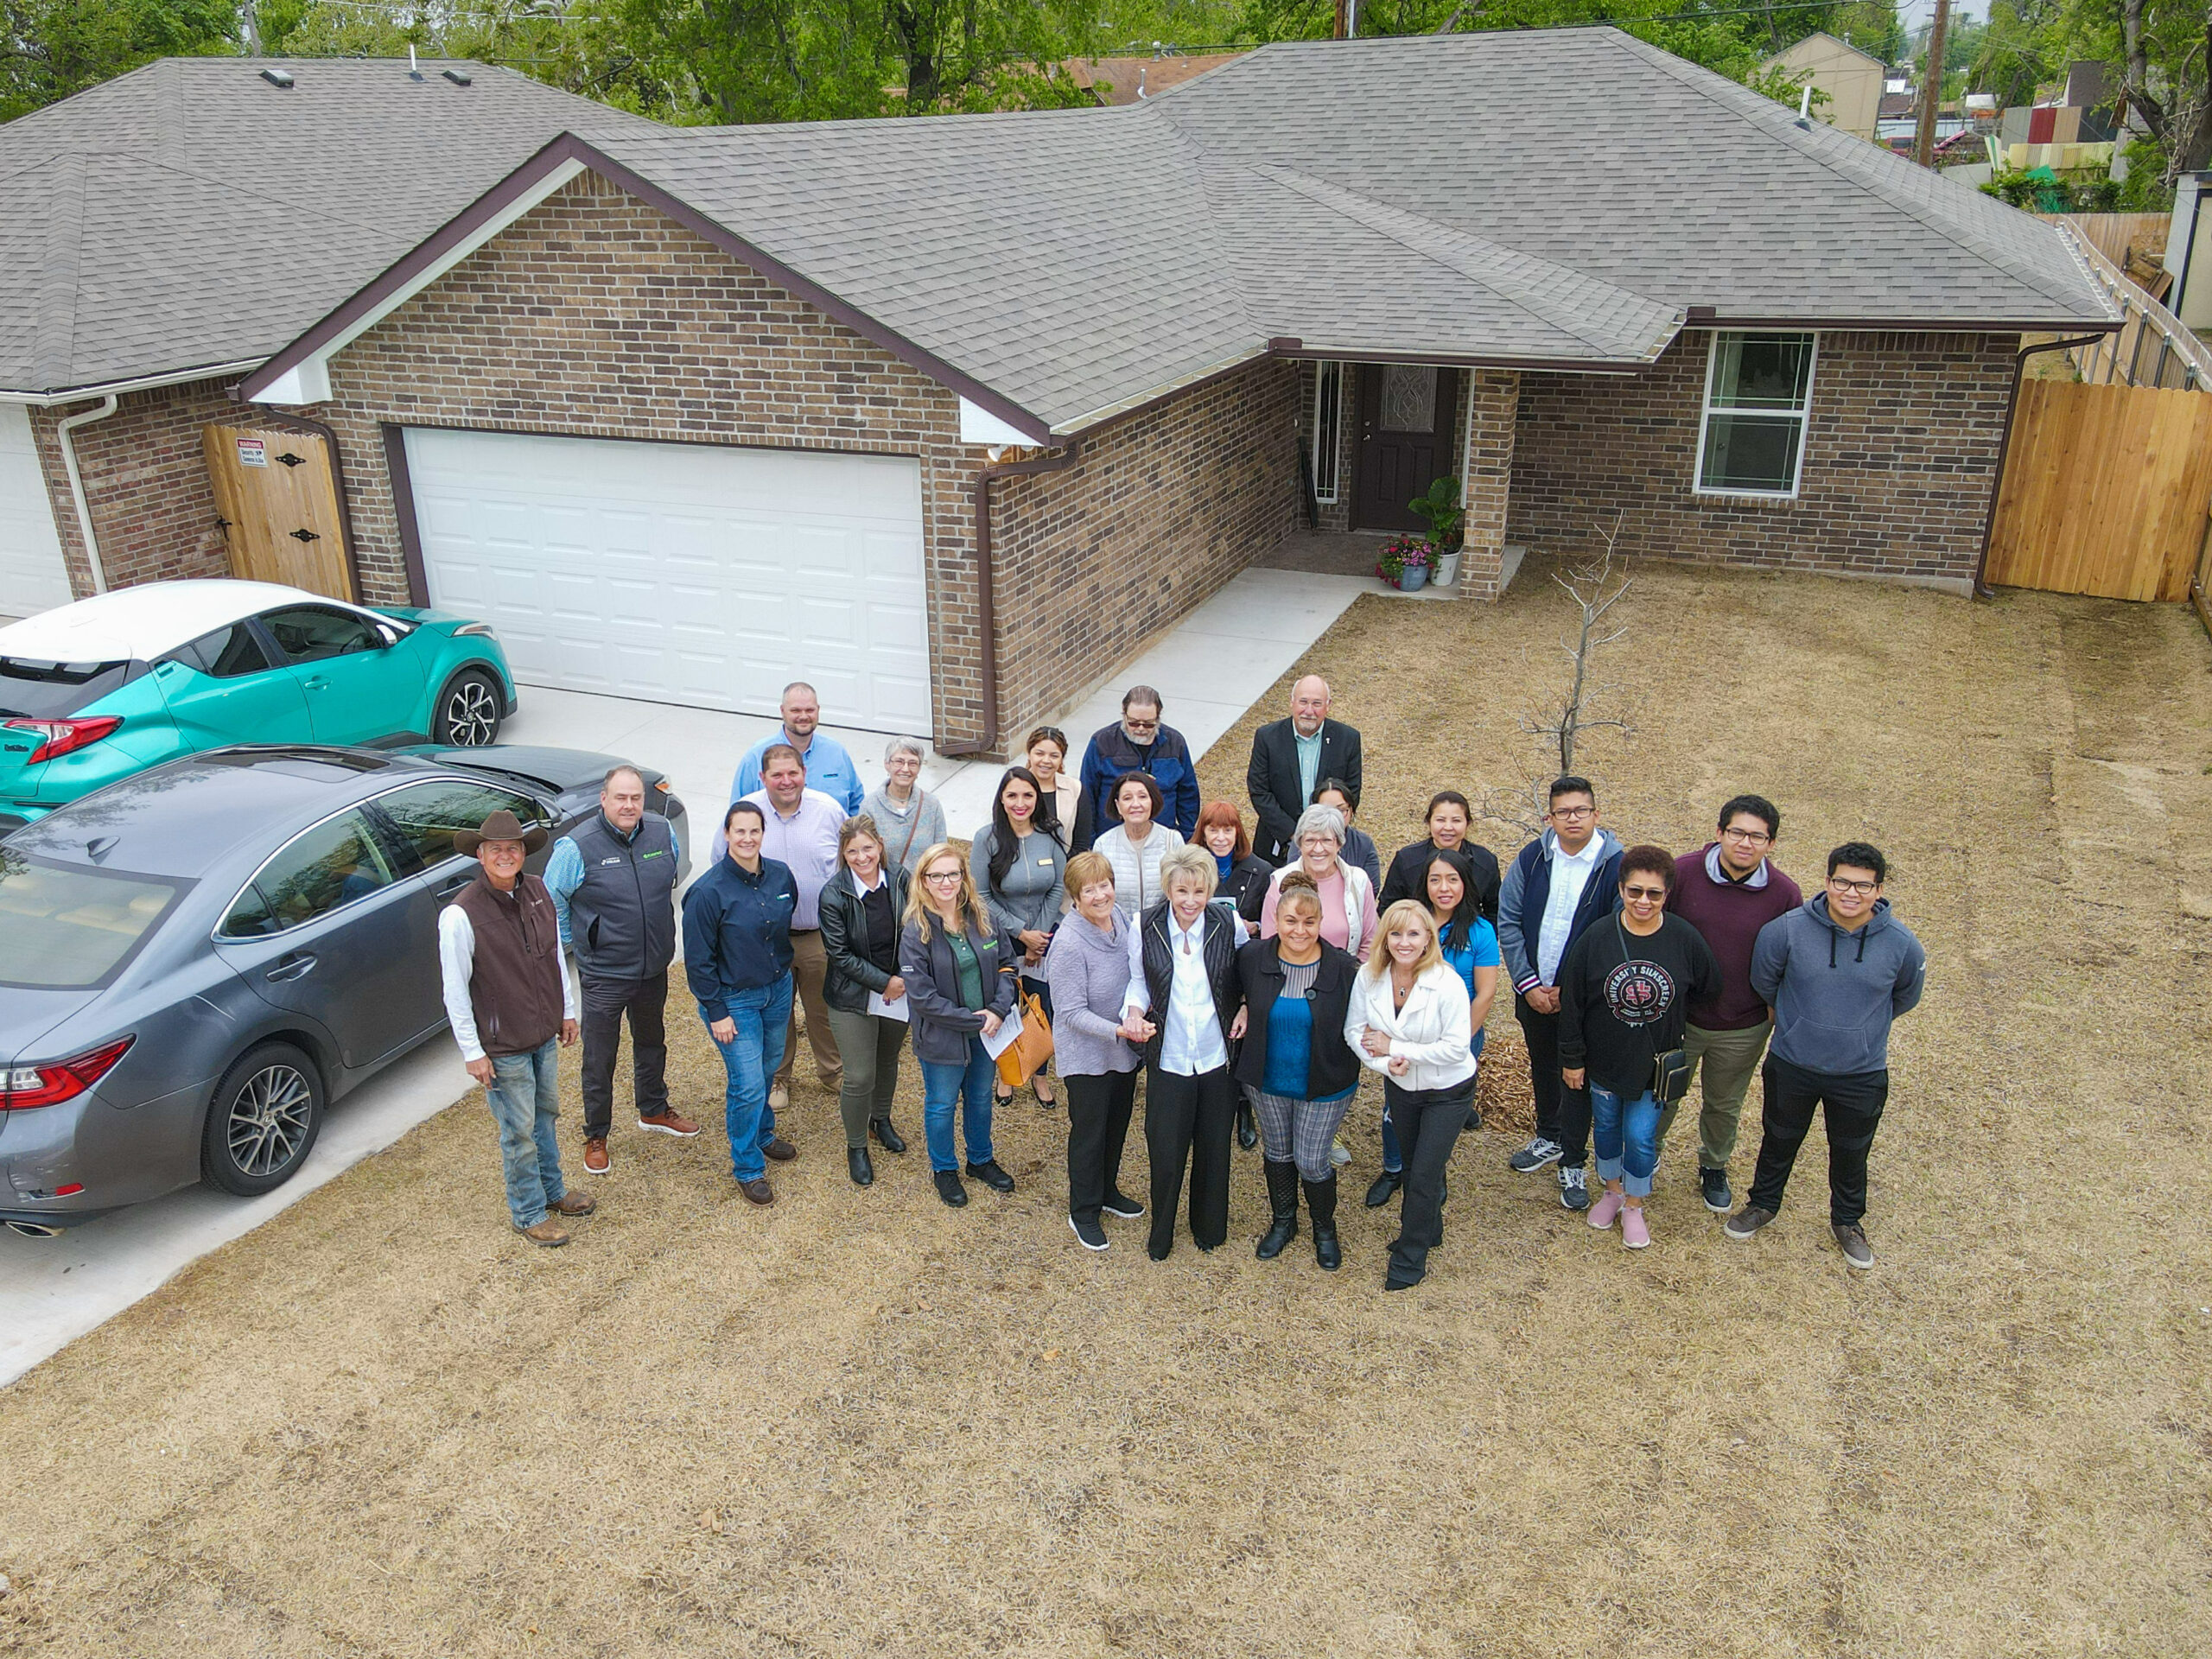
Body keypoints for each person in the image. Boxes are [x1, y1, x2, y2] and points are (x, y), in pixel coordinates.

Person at [1726, 842, 1926, 1269]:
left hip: (1861, 1072)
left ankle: (1848, 1222)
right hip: (1793, 1062)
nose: (1850, 893)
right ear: (1827, 881)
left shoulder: (1903, 945)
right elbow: (1765, 979)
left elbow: (1905, 996)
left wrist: (1861, 1031)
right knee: (1779, 1138)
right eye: (1841, 882)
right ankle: (1762, 1204)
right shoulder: (1786, 930)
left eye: (1862, 885)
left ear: (1879, 889)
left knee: (1852, 1149)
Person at [1558, 846, 1719, 1251]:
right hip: (1603, 1062)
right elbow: (1573, 1002)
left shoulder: (1683, 938)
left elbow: (1709, 986)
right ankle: (1611, 1191)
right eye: (1634, 891)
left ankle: (1634, 1204)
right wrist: (1573, 1060)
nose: (1642, 901)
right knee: (1609, 1129)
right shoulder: (1597, 937)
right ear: (1620, 888)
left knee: (1641, 1135)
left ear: (1667, 894)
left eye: (1654, 894)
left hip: (1654, 1068)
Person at [440, 810, 588, 1246]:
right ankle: (527, 1212)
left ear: (523, 853)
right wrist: (472, 1051)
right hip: (502, 1046)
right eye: (496, 850)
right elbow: (454, 989)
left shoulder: (539, 891)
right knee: (518, 1130)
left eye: (513, 848)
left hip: (542, 1032)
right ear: (481, 856)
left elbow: (554, 956)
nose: (505, 856)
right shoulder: (460, 915)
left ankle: (554, 1192)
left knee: (546, 1116)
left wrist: (566, 1009)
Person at [544, 764, 695, 1176]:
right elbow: (552, 895)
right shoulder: (576, 847)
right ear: (604, 800)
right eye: (621, 798)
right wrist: (576, 942)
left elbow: (670, 880)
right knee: (599, 1057)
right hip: (605, 975)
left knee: (652, 1041)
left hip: (653, 968)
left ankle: (654, 1108)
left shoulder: (661, 832)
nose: (629, 805)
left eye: (636, 798)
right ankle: (597, 1133)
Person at [1659, 795, 1803, 1215]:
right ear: (1719, 833)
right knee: (1661, 1096)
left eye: (1757, 836)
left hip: (1743, 1024)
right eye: (1737, 832)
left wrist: (1774, 1011)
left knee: (1724, 1104)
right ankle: (1644, 1159)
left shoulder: (1784, 894)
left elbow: (1792, 958)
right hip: (1678, 1020)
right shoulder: (1681, 874)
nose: (1746, 843)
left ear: (1770, 844)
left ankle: (1713, 1166)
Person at [1496, 776, 1624, 1213]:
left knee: (1578, 1075)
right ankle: (1548, 1137)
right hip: (1533, 994)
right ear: (1550, 818)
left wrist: (1568, 992)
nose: (1572, 818)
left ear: (1596, 815)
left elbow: (1616, 937)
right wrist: (1529, 983)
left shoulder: (1615, 867)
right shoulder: (1533, 858)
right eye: (1563, 812)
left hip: (1585, 1002)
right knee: (1543, 1066)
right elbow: (1508, 918)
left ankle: (1574, 1159)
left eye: (1581, 810)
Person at [1125, 844, 1249, 1259]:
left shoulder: (1228, 922)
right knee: (1166, 1147)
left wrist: (1246, 1005)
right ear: (1168, 889)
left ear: (1210, 889)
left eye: (1199, 891)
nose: (1191, 901)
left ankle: (1209, 1227)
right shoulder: (1144, 925)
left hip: (1217, 1056)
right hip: (1169, 1055)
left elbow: (1245, 973)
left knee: (1214, 1146)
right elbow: (1138, 981)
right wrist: (1133, 1012)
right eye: (1182, 892)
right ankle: (1162, 1232)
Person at [1232, 870, 1359, 1268]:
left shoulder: (1343, 968)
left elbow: (1362, 1020)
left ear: (1321, 923)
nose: (1299, 930)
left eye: (1309, 922)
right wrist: (1244, 1005)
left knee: (1311, 1160)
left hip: (1324, 1081)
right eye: (1290, 921)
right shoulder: (1253, 957)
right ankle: (1283, 1222)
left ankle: (1324, 1228)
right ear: (1276, 920)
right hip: (1268, 1080)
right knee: (1279, 1153)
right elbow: (1235, 991)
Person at [1346, 900, 1474, 1291]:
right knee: (1421, 1163)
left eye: (1414, 934)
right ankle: (1430, 1228)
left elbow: (1456, 1048)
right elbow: (1355, 1031)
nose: (1404, 942)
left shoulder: (1447, 982)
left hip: (1448, 1091)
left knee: (1420, 1175)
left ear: (1428, 939)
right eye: (1396, 933)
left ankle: (1409, 1258)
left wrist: (1395, 1047)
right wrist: (1385, 1064)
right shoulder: (1369, 977)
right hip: (1401, 1087)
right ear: (1385, 938)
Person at [682, 801, 800, 1205]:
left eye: (755, 831)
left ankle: (764, 1135)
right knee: (748, 1085)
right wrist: (717, 1011)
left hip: (778, 990)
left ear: (763, 834)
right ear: (727, 835)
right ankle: (748, 1167)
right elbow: (698, 962)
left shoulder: (781, 876)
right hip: (735, 1002)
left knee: (769, 1068)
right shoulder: (706, 892)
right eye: (740, 832)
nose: (747, 839)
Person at [1368, 846, 1499, 1206]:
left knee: (1437, 1113)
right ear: (1424, 884)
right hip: (1404, 1032)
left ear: (1465, 884)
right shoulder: (1409, 923)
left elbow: (1485, 994)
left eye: (1452, 879)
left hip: (1459, 1036)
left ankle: (1430, 1174)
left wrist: (1457, 1041)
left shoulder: (1481, 931)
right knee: (1397, 1108)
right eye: (1435, 879)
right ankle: (1394, 1168)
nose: (1444, 887)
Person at [900, 842, 1020, 1207]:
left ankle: (980, 1160)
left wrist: (998, 1010)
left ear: (964, 877)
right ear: (924, 881)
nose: (946, 882)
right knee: (941, 1103)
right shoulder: (915, 930)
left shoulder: (982, 917)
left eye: (953, 873)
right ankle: (944, 1169)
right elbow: (922, 997)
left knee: (981, 1097)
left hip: (987, 1032)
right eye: (937, 875)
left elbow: (1008, 965)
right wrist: (971, 1019)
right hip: (942, 1037)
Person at [1044, 851, 1148, 1249]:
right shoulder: (1068, 944)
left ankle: (1108, 1192)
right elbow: (1070, 1013)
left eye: (1104, 885)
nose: (1100, 895)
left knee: (1116, 1125)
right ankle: (1083, 1211)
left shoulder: (1120, 918)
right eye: (1090, 890)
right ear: (1075, 896)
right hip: (1088, 1055)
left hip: (1123, 1048)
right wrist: (1120, 1030)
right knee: (1089, 1133)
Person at [742, 744, 846, 1112]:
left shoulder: (828, 811)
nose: (786, 782)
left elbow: (846, 865)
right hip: (766, 941)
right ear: (763, 777)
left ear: (804, 772)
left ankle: (832, 1072)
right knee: (776, 1012)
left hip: (818, 934)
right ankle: (778, 1077)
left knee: (823, 1008)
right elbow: (722, 863)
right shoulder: (747, 814)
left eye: (793, 773)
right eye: (776, 775)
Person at [817, 815, 913, 1187]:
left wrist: (904, 978)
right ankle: (856, 1146)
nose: (862, 857)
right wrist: (883, 982)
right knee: (859, 1074)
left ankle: (881, 1120)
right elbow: (839, 955)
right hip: (853, 995)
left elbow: (917, 928)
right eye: (853, 851)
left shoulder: (902, 879)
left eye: (868, 848)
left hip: (899, 990)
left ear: (880, 847)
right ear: (844, 854)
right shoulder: (834, 894)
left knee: (888, 1059)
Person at [969, 765, 1068, 1108]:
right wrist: (1021, 934)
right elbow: (980, 895)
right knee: (1007, 1006)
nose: (1020, 802)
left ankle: (1039, 1075)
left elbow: (1058, 885)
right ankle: (1006, 1072)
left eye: (1027, 795)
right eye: (1012, 795)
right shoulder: (987, 839)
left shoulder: (1051, 834)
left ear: (1037, 798)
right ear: (1002, 798)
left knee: (1043, 1006)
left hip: (1046, 939)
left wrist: (1039, 937)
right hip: (1003, 940)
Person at [1245, 675, 1363, 865]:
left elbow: (1351, 793)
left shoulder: (1347, 739)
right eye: (1303, 702)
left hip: (1329, 846)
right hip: (1277, 846)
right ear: (1292, 702)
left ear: (1328, 705)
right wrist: (1294, 834)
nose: (1309, 711)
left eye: (1317, 703)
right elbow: (1259, 790)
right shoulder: (1267, 738)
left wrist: (1323, 834)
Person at [1257, 804, 1379, 961]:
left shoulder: (1358, 881)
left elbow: (1369, 943)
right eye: (1310, 840)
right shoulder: (1280, 882)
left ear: (1339, 844)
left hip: (1345, 978)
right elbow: (1269, 943)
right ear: (1300, 845)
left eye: (1326, 840)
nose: (1318, 849)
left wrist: (1354, 977)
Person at [1080, 684, 1199, 840]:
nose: (1141, 729)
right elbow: (1087, 795)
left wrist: (1186, 835)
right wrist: (1090, 841)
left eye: (1149, 723)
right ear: (1124, 713)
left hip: (1162, 840)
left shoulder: (1175, 743)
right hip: (1111, 839)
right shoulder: (1102, 742)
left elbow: (1188, 794)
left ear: (1158, 716)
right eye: (1134, 723)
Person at [729, 680, 863, 814]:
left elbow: (857, 805)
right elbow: (738, 813)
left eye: (810, 710)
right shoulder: (755, 757)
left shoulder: (836, 753)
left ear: (818, 710)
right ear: (782, 711)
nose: (803, 716)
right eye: (796, 710)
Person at [1379, 790, 1502, 922]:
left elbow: (1495, 910)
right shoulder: (1407, 859)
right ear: (1429, 821)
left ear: (1468, 823)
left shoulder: (1485, 861)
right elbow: (1388, 907)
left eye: (1456, 820)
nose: (1448, 827)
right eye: (1440, 820)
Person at [1093, 771, 1184, 918]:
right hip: (1120, 932)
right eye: (1127, 798)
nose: (1136, 804)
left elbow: (1183, 891)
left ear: (1152, 801)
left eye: (1143, 797)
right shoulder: (1103, 845)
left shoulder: (1172, 840)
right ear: (1118, 805)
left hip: (1162, 932)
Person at [860, 737, 945, 875]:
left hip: (923, 890)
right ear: (887, 764)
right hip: (886, 891)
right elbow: (864, 855)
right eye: (899, 762)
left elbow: (941, 854)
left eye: (912, 763)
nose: (905, 769)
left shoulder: (931, 805)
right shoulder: (869, 807)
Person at [1196, 799, 1273, 919]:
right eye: (1213, 830)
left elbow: (1270, 919)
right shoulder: (1189, 869)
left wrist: (1256, 926)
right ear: (1203, 835)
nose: (1221, 838)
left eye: (1228, 830)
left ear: (1237, 833)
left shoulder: (1262, 871)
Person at [1026, 725, 1095, 855]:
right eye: (1039, 754)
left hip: (1064, 868)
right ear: (1029, 754)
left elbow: (1081, 842)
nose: (1046, 761)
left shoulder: (1075, 789)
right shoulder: (1014, 786)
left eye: (1054, 756)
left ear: (1062, 759)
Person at [1313, 780, 1381, 892]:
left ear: (1351, 810)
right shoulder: (1303, 843)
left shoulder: (1364, 844)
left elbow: (1371, 890)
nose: (1334, 816)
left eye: (1341, 810)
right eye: (1326, 810)